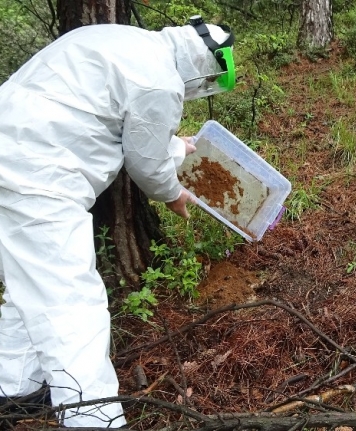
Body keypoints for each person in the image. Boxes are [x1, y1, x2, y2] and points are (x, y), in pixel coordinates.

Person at [0, 15, 236, 428]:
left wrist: (175, 148)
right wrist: (173, 193)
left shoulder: (124, 41)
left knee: (32, 283)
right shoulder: (161, 80)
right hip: (38, 178)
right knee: (71, 303)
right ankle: (93, 419)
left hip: (13, 153)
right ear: (205, 66)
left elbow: (115, 120)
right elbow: (145, 161)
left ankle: (14, 387)